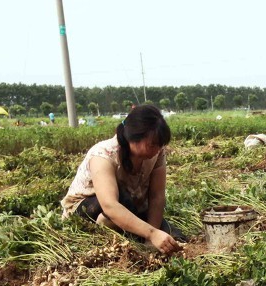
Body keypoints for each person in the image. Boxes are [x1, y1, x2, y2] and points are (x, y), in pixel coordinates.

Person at [61, 104, 185, 255]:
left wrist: (152, 238)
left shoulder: (157, 153)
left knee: (174, 237)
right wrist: (152, 233)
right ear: (133, 137)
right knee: (124, 199)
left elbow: (156, 196)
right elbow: (109, 204)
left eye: (159, 145)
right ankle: (107, 224)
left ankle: (119, 227)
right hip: (89, 208)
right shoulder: (103, 155)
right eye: (152, 145)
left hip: (132, 206)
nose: (157, 150)